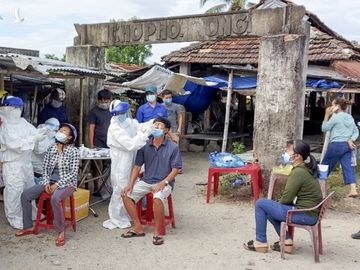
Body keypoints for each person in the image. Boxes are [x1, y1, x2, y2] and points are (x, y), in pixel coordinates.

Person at [244, 140, 323, 253]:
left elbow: (287, 198)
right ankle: (286, 241)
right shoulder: (304, 169)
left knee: (261, 203)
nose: (286, 152)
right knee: (269, 208)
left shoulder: (298, 172)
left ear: (297, 156)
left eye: (289, 150)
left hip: (305, 215)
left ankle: (260, 242)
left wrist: (276, 204)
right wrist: (275, 205)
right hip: (309, 213)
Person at [15, 123, 80, 247]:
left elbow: (73, 173)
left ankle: (61, 231)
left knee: (56, 198)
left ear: (70, 137)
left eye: (64, 131)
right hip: (49, 181)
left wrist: (57, 184)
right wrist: (45, 182)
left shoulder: (73, 151)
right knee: (25, 195)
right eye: (60, 130)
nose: (60, 132)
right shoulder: (51, 148)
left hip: (67, 184)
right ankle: (28, 227)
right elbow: (44, 168)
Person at [121, 117, 182, 246]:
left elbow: (176, 169)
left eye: (159, 125)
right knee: (126, 195)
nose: (156, 127)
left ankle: (157, 233)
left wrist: (163, 183)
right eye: (155, 124)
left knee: (157, 199)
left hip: (164, 182)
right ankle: (137, 227)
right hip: (146, 181)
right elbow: (137, 166)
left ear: (166, 130)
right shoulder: (144, 145)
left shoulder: (173, 147)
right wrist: (130, 184)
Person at [102, 100, 156, 230]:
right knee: (121, 189)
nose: (122, 114)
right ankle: (117, 218)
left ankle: (128, 214)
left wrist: (153, 122)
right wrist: (146, 133)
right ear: (115, 113)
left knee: (131, 186)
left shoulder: (127, 122)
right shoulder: (114, 127)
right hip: (121, 160)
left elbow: (139, 126)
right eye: (119, 112)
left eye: (123, 112)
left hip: (131, 158)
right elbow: (130, 144)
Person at [0, 96, 39, 229]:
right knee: (14, 191)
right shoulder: (3, 125)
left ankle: (31, 214)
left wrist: (42, 133)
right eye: (13, 108)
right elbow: (14, 144)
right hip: (12, 164)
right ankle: (15, 218)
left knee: (29, 189)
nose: (16, 110)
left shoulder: (23, 122)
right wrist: (32, 139)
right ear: (6, 108)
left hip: (26, 162)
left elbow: (34, 133)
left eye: (18, 108)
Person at [321, 97, 359, 197]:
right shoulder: (349, 117)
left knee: (325, 166)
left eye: (332, 105)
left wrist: (326, 115)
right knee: (348, 167)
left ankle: (319, 187)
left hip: (336, 145)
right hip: (347, 146)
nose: (331, 107)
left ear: (337, 106)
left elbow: (324, 128)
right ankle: (353, 189)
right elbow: (356, 131)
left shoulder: (335, 117)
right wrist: (351, 139)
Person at [32, 118, 60, 184]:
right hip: (36, 169)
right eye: (54, 130)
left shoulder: (52, 139)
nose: (55, 132)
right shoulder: (39, 135)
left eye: (56, 131)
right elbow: (39, 150)